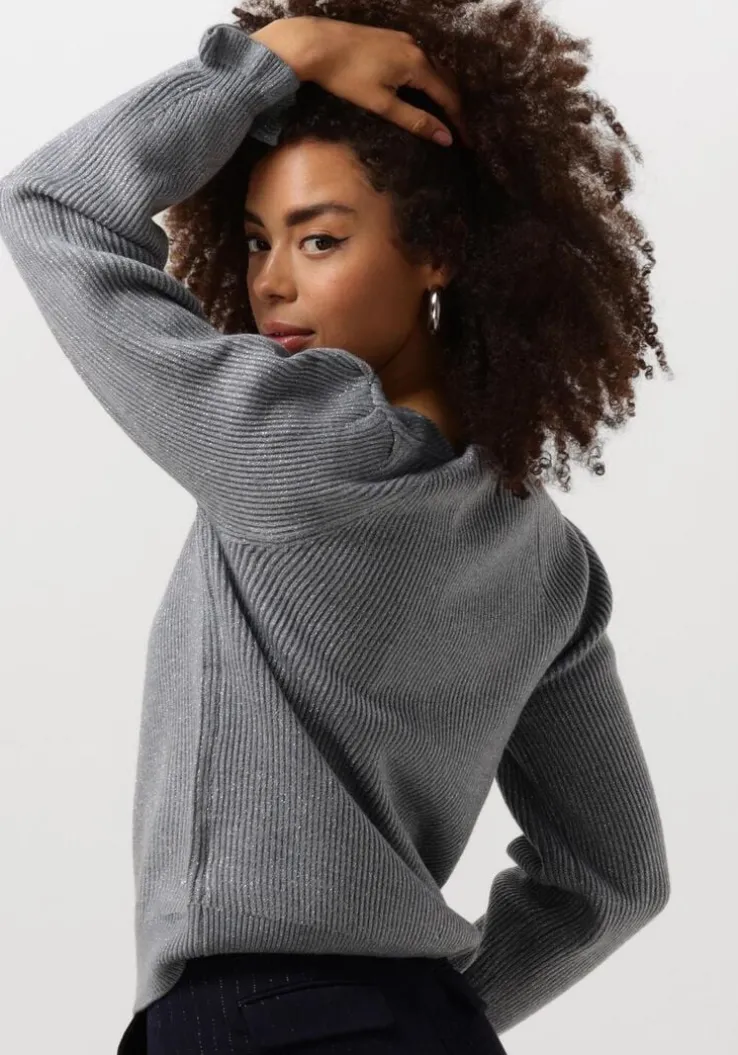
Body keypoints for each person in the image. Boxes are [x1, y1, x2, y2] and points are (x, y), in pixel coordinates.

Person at [0, 3, 672, 1053]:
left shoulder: (293, 442)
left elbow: (51, 204)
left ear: (437, 249)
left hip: (254, 1014)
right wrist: (424, 1014)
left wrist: (275, 59)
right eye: (256, 239)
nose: (271, 280)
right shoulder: (548, 560)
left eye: (320, 239)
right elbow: (614, 878)